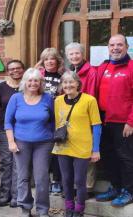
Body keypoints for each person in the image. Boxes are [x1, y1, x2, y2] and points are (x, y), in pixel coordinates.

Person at [5, 68, 54, 217]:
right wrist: (11, 142)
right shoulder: (16, 98)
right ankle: (25, 208)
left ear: (41, 83)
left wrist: (51, 137)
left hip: (43, 143)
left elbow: (53, 121)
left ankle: (42, 210)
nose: (33, 83)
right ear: (25, 82)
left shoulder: (47, 98)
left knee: (41, 178)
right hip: (21, 143)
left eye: (36, 81)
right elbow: (8, 122)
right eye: (30, 80)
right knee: (23, 177)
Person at [52, 71, 101, 217]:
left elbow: (97, 125)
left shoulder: (89, 100)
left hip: (83, 146)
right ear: (62, 85)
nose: (68, 85)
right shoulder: (58, 101)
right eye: (65, 82)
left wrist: (96, 149)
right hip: (63, 146)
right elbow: (57, 123)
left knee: (80, 180)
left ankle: (79, 209)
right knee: (66, 179)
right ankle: (69, 208)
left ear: (78, 84)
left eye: (71, 82)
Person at [95, 34, 133, 207]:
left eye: (119, 45)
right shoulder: (105, 67)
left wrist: (131, 121)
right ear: (108, 48)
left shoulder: (131, 67)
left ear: (126, 47)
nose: (115, 48)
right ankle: (115, 186)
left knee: (125, 157)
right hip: (103, 120)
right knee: (109, 156)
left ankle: (128, 190)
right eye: (112, 45)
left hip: (123, 122)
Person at [65, 42, 98, 196]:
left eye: (77, 53)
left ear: (83, 54)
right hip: (73, 117)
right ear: (67, 56)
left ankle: (88, 186)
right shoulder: (69, 71)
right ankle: (75, 186)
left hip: (86, 114)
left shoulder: (90, 71)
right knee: (73, 151)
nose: (74, 56)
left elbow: (91, 95)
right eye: (71, 54)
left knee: (87, 150)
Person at [0, 59, 24, 208]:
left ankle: (16, 197)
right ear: (7, 71)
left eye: (18, 68)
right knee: (6, 163)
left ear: (23, 70)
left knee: (18, 164)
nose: (15, 71)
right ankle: (4, 195)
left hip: (21, 130)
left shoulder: (27, 86)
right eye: (12, 69)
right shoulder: (2, 87)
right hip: (2, 129)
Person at [36, 47, 65, 194]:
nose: (49, 62)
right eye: (46, 59)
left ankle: (56, 181)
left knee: (57, 151)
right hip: (40, 119)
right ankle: (43, 180)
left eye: (51, 58)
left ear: (57, 61)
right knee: (42, 151)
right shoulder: (37, 75)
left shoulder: (63, 76)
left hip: (57, 119)